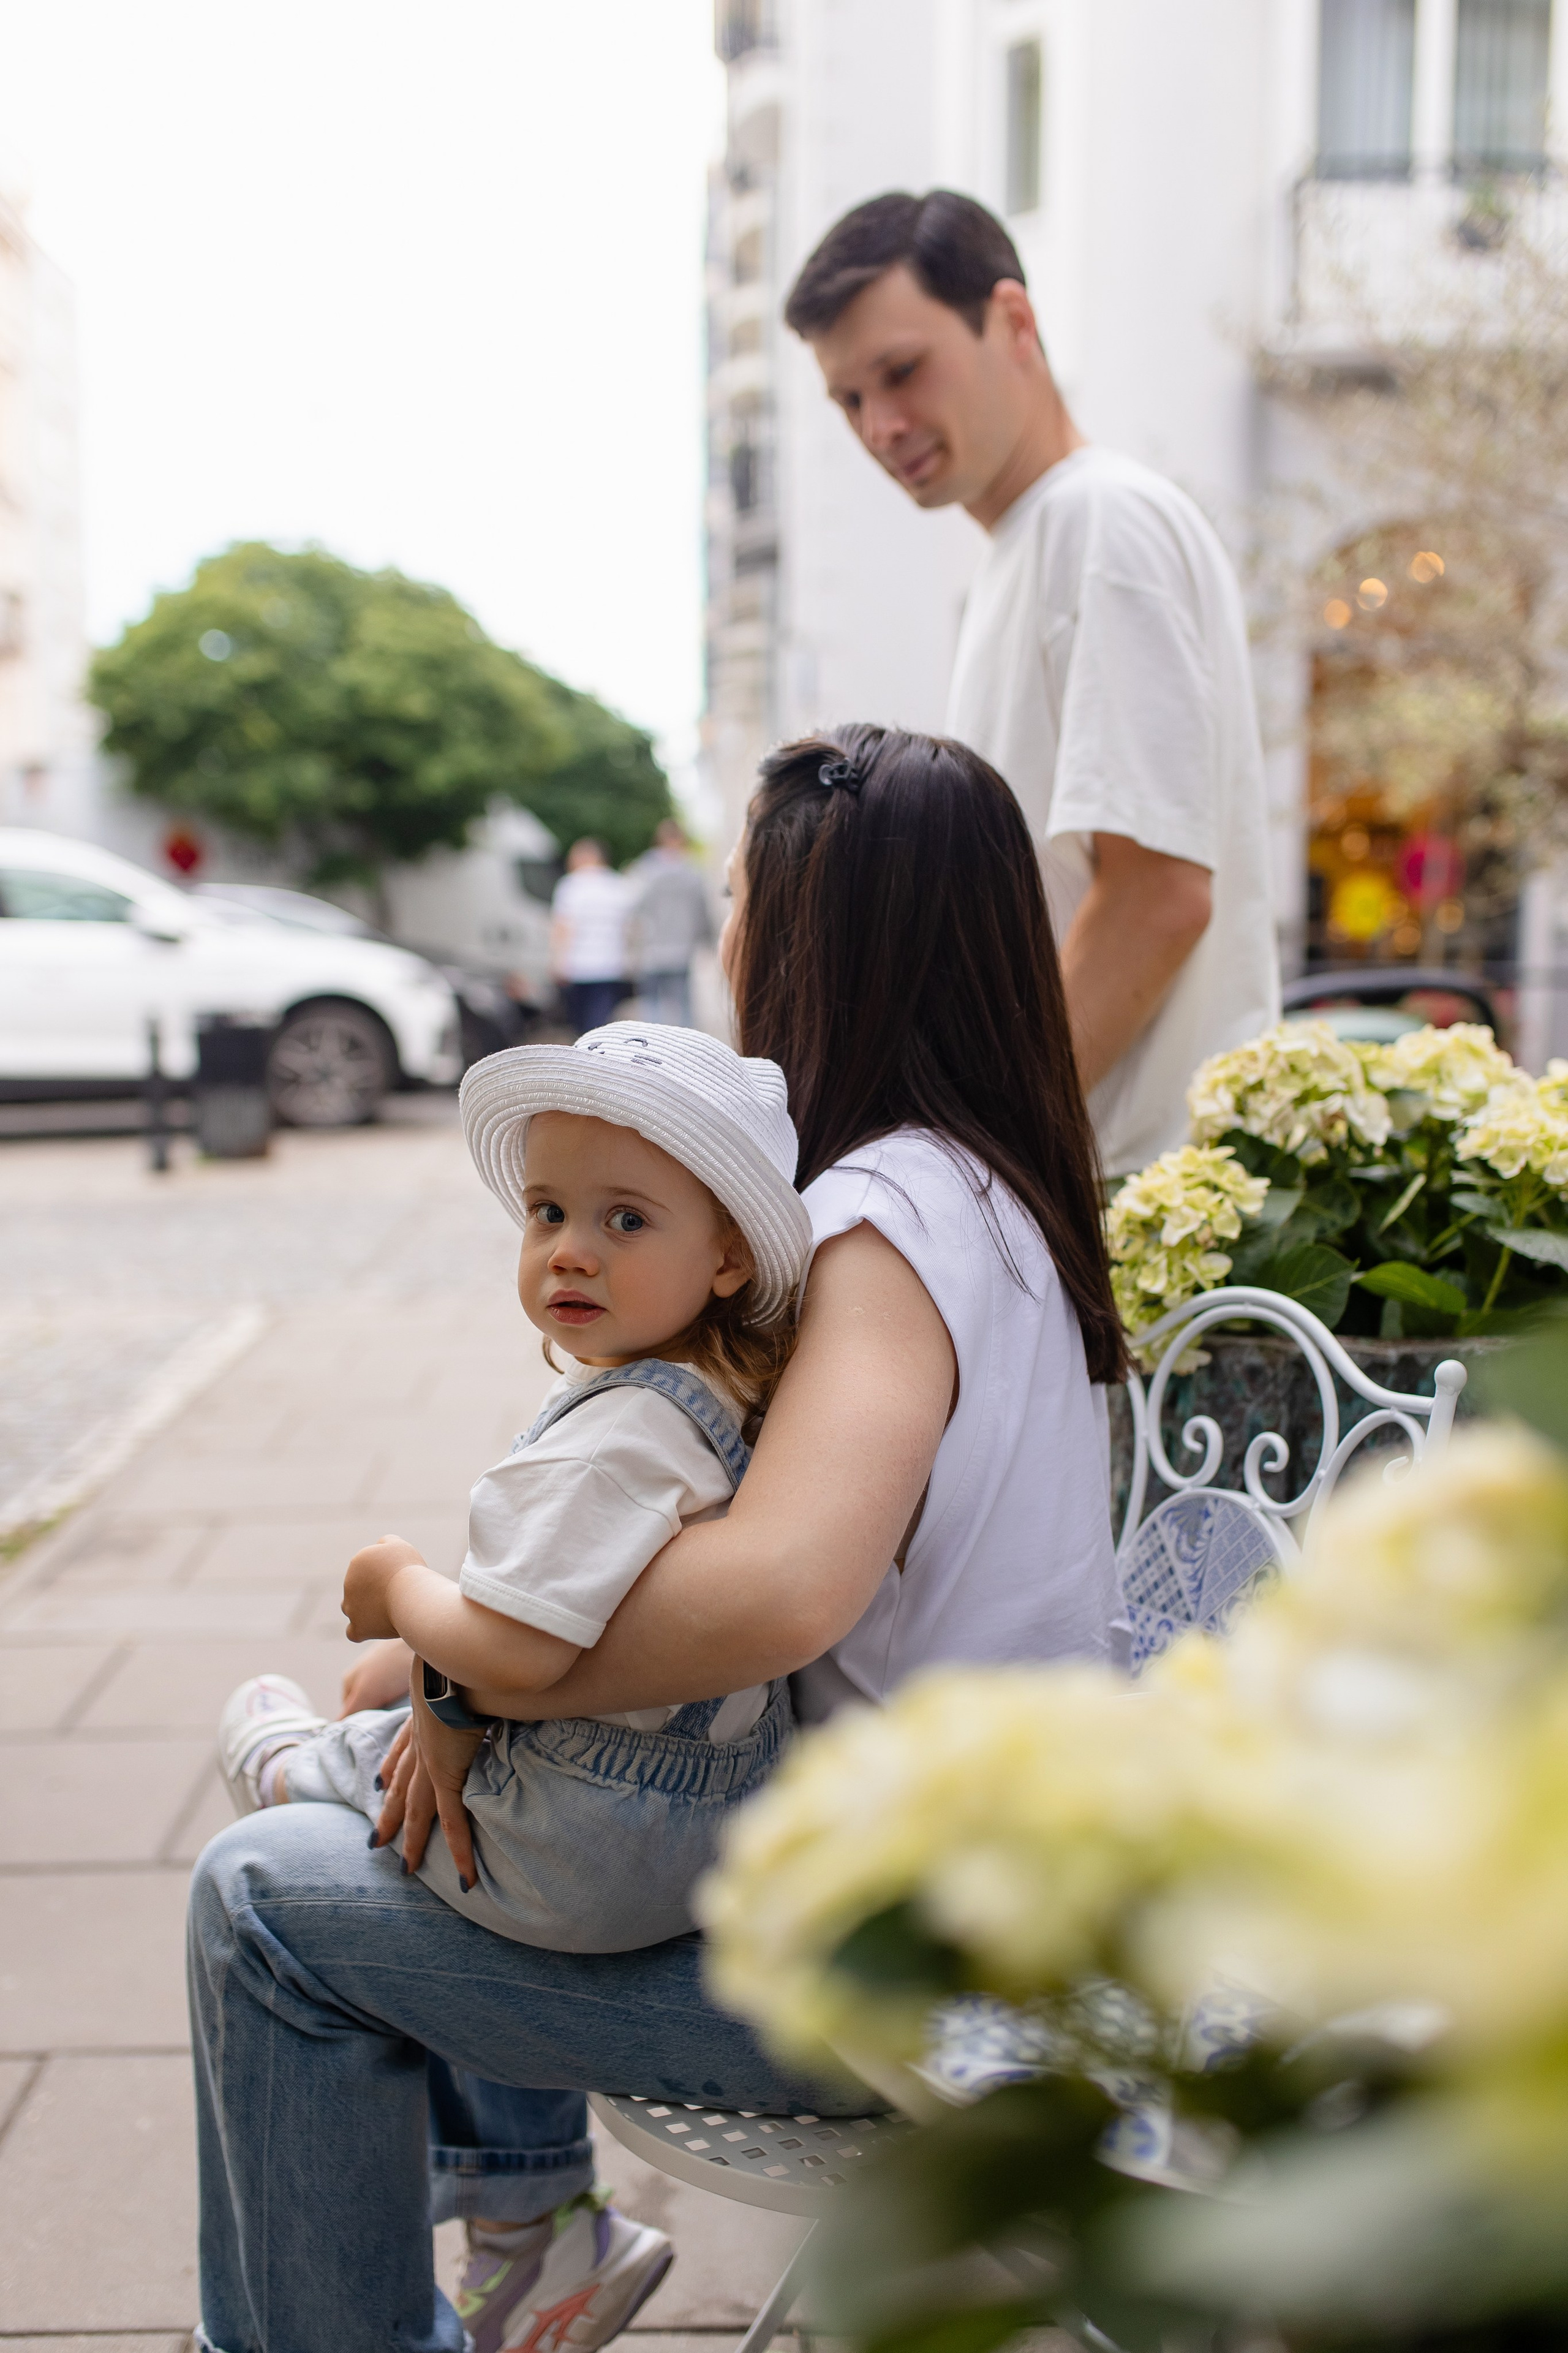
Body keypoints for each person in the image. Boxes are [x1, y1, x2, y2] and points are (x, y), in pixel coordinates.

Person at [187, 725, 1125, 2353]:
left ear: (821, 936)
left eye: (751, 889)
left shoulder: (885, 1228)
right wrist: (462, 1677)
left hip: (899, 1974)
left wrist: (461, 1648)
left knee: (262, 1903)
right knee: (457, 1775)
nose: (733, 926)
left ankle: (469, 2249)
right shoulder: (994, 1194)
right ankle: (530, 2219)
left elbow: (777, 1588)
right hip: (971, 1893)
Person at [214, 1022, 810, 1953]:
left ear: (729, 1257)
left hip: (576, 1848)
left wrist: (400, 1591)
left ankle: (302, 1772)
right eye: (548, 1212)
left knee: (389, 1758)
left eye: (626, 1220)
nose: (571, 1251)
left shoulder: (617, 1438)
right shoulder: (715, 1399)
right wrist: (417, 1668)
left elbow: (513, 1652)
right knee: (411, 1691)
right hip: (706, 1828)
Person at [783, 189, 1280, 1177]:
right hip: (1107, 1185)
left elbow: (1158, 896)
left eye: (901, 371)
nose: (881, 424)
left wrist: (975, 1156)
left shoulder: (1099, 526)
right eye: (849, 399)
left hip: (1139, 1192)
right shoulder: (1032, 544)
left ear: (1014, 321)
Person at [627, 818, 715, 1028]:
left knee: (652, 1002)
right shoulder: (692, 872)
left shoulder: (645, 870)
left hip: (651, 948)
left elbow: (634, 906)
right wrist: (708, 939)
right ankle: (686, 1049)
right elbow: (702, 910)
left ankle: (653, 1047)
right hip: (681, 948)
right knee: (683, 1004)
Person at [550, 839, 633, 1033]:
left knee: (579, 1022)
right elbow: (629, 927)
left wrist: (556, 961)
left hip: (578, 966)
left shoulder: (570, 886)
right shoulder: (618, 885)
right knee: (601, 1020)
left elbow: (563, 927)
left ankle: (582, 1057)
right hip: (611, 964)